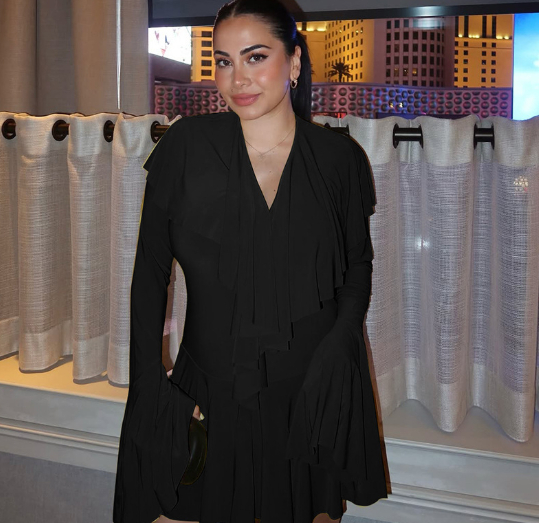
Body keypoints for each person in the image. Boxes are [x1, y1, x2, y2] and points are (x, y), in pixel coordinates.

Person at [113, 0, 388, 522]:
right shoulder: (186, 148)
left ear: (295, 62)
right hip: (207, 394)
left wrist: (336, 359)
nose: (236, 79)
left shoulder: (339, 161)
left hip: (308, 397)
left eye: (255, 57)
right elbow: (149, 273)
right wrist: (152, 385)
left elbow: (358, 267)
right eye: (223, 61)